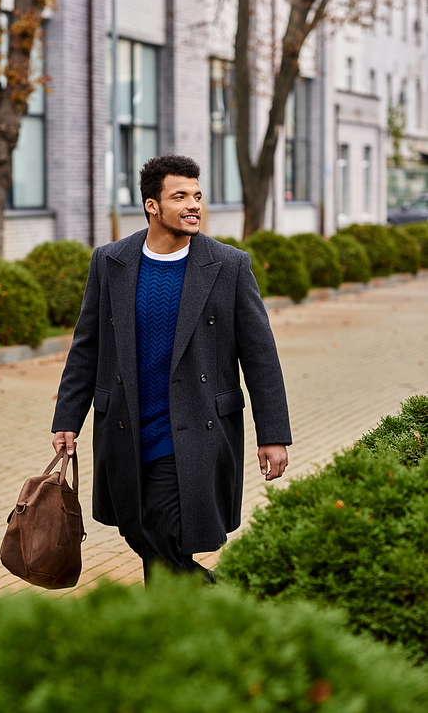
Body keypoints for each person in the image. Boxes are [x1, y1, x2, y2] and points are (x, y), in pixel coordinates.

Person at [52, 154, 291, 582]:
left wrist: (272, 435)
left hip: (195, 429)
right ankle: (181, 631)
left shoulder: (229, 265)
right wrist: (68, 418)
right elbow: (87, 346)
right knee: (142, 535)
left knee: (161, 531)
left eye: (197, 195)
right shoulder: (111, 262)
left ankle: (237, 609)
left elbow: (261, 357)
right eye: (179, 196)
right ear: (152, 205)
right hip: (125, 429)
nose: (193, 205)